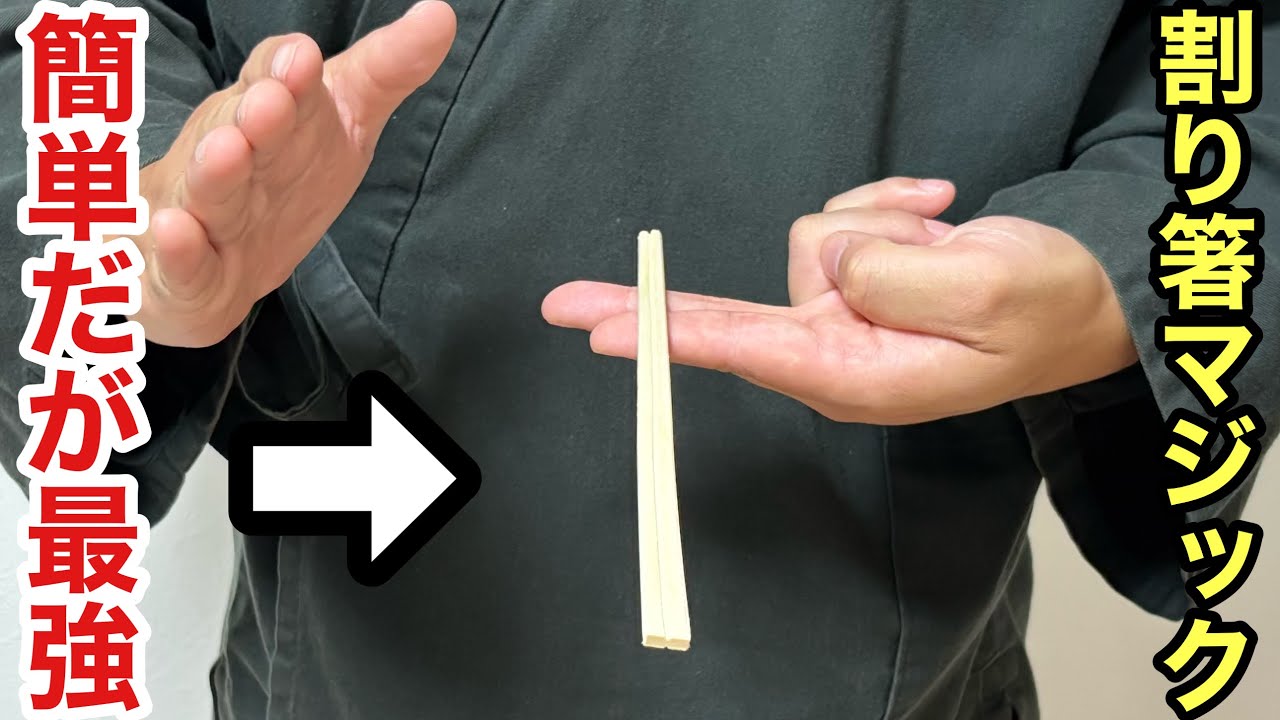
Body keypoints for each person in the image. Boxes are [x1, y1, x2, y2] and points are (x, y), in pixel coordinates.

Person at [2, 0, 1275, 718]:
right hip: (358, 648)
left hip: (884, 650)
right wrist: (131, 211)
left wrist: (1118, 261)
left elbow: (1236, 78)